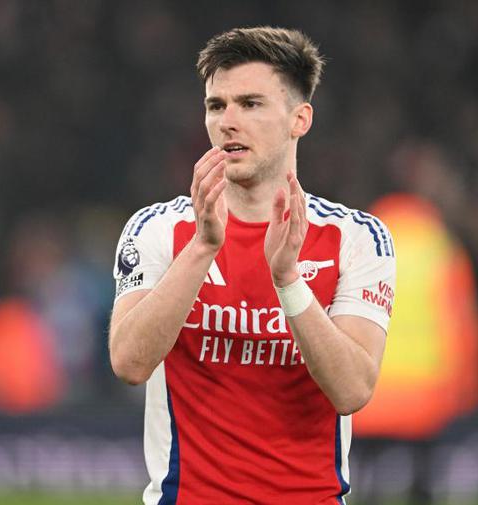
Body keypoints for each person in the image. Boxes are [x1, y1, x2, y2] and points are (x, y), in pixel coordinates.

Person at [109, 26, 396, 505]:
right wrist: (202, 248)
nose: (227, 122)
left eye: (250, 104)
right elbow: (129, 363)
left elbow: (351, 390)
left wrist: (288, 281)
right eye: (216, 105)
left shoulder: (356, 238)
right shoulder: (159, 229)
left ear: (300, 119)